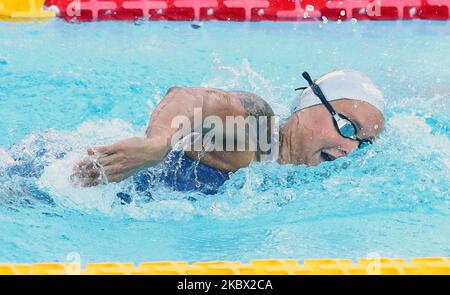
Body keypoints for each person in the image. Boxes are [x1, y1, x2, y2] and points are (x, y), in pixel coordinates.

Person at [71, 69, 385, 195]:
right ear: (309, 104)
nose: (350, 148)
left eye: (364, 143)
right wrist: (157, 143)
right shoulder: (258, 134)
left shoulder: (286, 174)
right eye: (347, 127)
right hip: (64, 176)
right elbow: (190, 98)